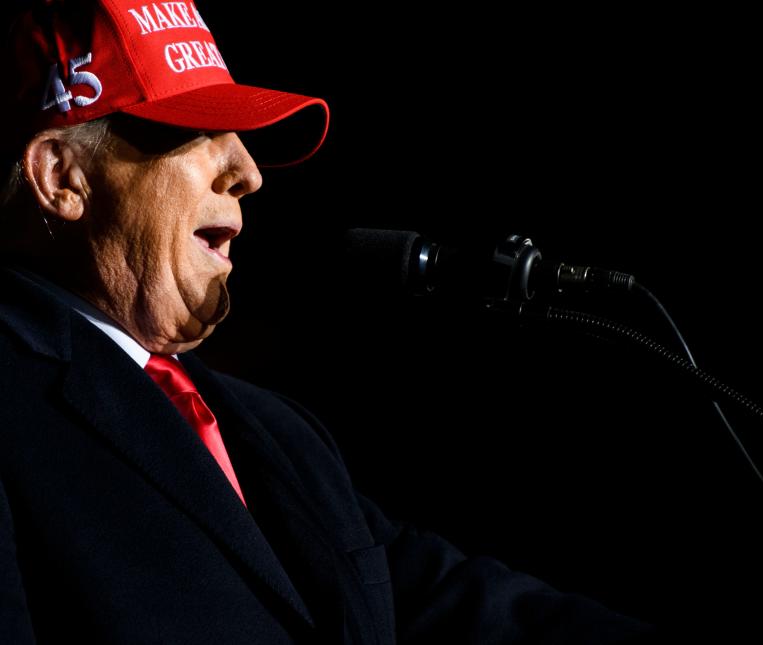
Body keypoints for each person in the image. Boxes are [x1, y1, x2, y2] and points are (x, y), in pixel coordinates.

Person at [0, 2, 652, 642]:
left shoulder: (275, 432)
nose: (249, 172)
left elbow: (439, 597)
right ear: (63, 177)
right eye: (197, 132)